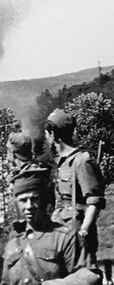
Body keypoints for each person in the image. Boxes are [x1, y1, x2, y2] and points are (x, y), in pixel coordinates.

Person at [46, 108, 106, 261]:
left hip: (76, 232)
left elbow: (94, 201)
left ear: (53, 135)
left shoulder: (82, 161)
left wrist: (83, 231)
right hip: (60, 230)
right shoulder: (61, 163)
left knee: (81, 279)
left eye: (47, 134)